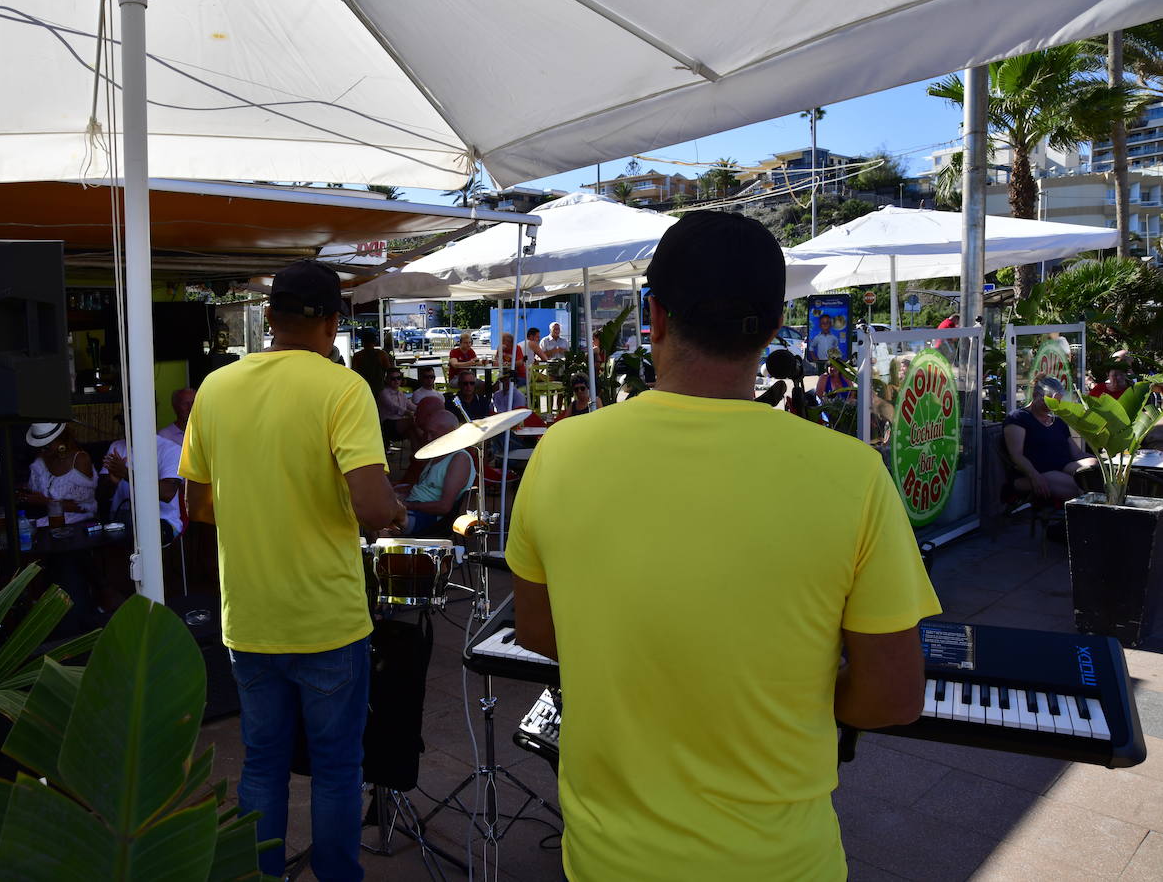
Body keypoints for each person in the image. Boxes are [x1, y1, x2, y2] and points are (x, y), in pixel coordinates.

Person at [507, 210, 937, 881]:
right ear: (771, 328)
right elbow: (892, 696)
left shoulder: (560, 452)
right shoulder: (853, 474)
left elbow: (537, 630)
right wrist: (775, 689)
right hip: (783, 863)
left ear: (655, 318)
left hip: (607, 861)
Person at [179, 259, 405, 882]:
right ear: (333, 322)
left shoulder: (217, 387)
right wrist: (395, 507)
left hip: (248, 617)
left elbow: (196, 506)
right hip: (326, 620)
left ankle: (262, 875)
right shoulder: (342, 388)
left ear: (270, 318)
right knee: (336, 768)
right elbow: (370, 505)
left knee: (261, 765)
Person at [1004, 376, 1096, 504]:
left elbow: (1077, 454)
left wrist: (1105, 463)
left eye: (1056, 402)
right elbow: (1016, 455)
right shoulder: (1019, 418)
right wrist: (1034, 476)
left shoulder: (1058, 422)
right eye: (1048, 401)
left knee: (1096, 470)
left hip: (1063, 466)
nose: (1051, 406)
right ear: (1036, 395)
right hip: (1036, 472)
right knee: (1084, 487)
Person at [385, 411, 475, 535]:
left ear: (449, 432)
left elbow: (444, 507)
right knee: (372, 505)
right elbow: (426, 488)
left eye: (432, 433)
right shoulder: (438, 453)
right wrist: (402, 491)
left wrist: (408, 505)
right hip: (415, 510)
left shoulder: (459, 459)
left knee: (377, 514)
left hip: (429, 519)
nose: (428, 438)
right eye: (427, 433)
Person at [100, 429, 185, 545]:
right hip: (120, 521)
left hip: (162, 520)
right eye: (123, 421)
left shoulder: (171, 449)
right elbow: (100, 496)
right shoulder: (117, 447)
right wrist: (112, 482)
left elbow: (167, 493)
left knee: (144, 540)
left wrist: (126, 474)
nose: (127, 425)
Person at [18, 422, 96, 525]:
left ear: (61, 438)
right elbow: (36, 492)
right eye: (40, 445)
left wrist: (46, 502)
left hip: (76, 523)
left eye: (47, 445)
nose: (43, 449)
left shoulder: (80, 460)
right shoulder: (40, 460)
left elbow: (86, 507)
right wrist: (25, 494)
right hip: (47, 520)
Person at [376, 368, 416, 444]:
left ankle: (416, 454)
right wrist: (409, 413)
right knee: (415, 422)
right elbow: (393, 407)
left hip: (400, 424)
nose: (396, 381)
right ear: (387, 380)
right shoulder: (384, 393)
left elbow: (411, 405)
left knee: (414, 432)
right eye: (393, 379)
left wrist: (424, 409)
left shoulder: (401, 393)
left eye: (398, 378)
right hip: (388, 425)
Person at [350, 328, 390, 394]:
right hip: (379, 388)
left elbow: (354, 373)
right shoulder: (381, 354)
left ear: (363, 342)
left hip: (363, 388)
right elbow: (389, 370)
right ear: (375, 341)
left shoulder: (357, 355)